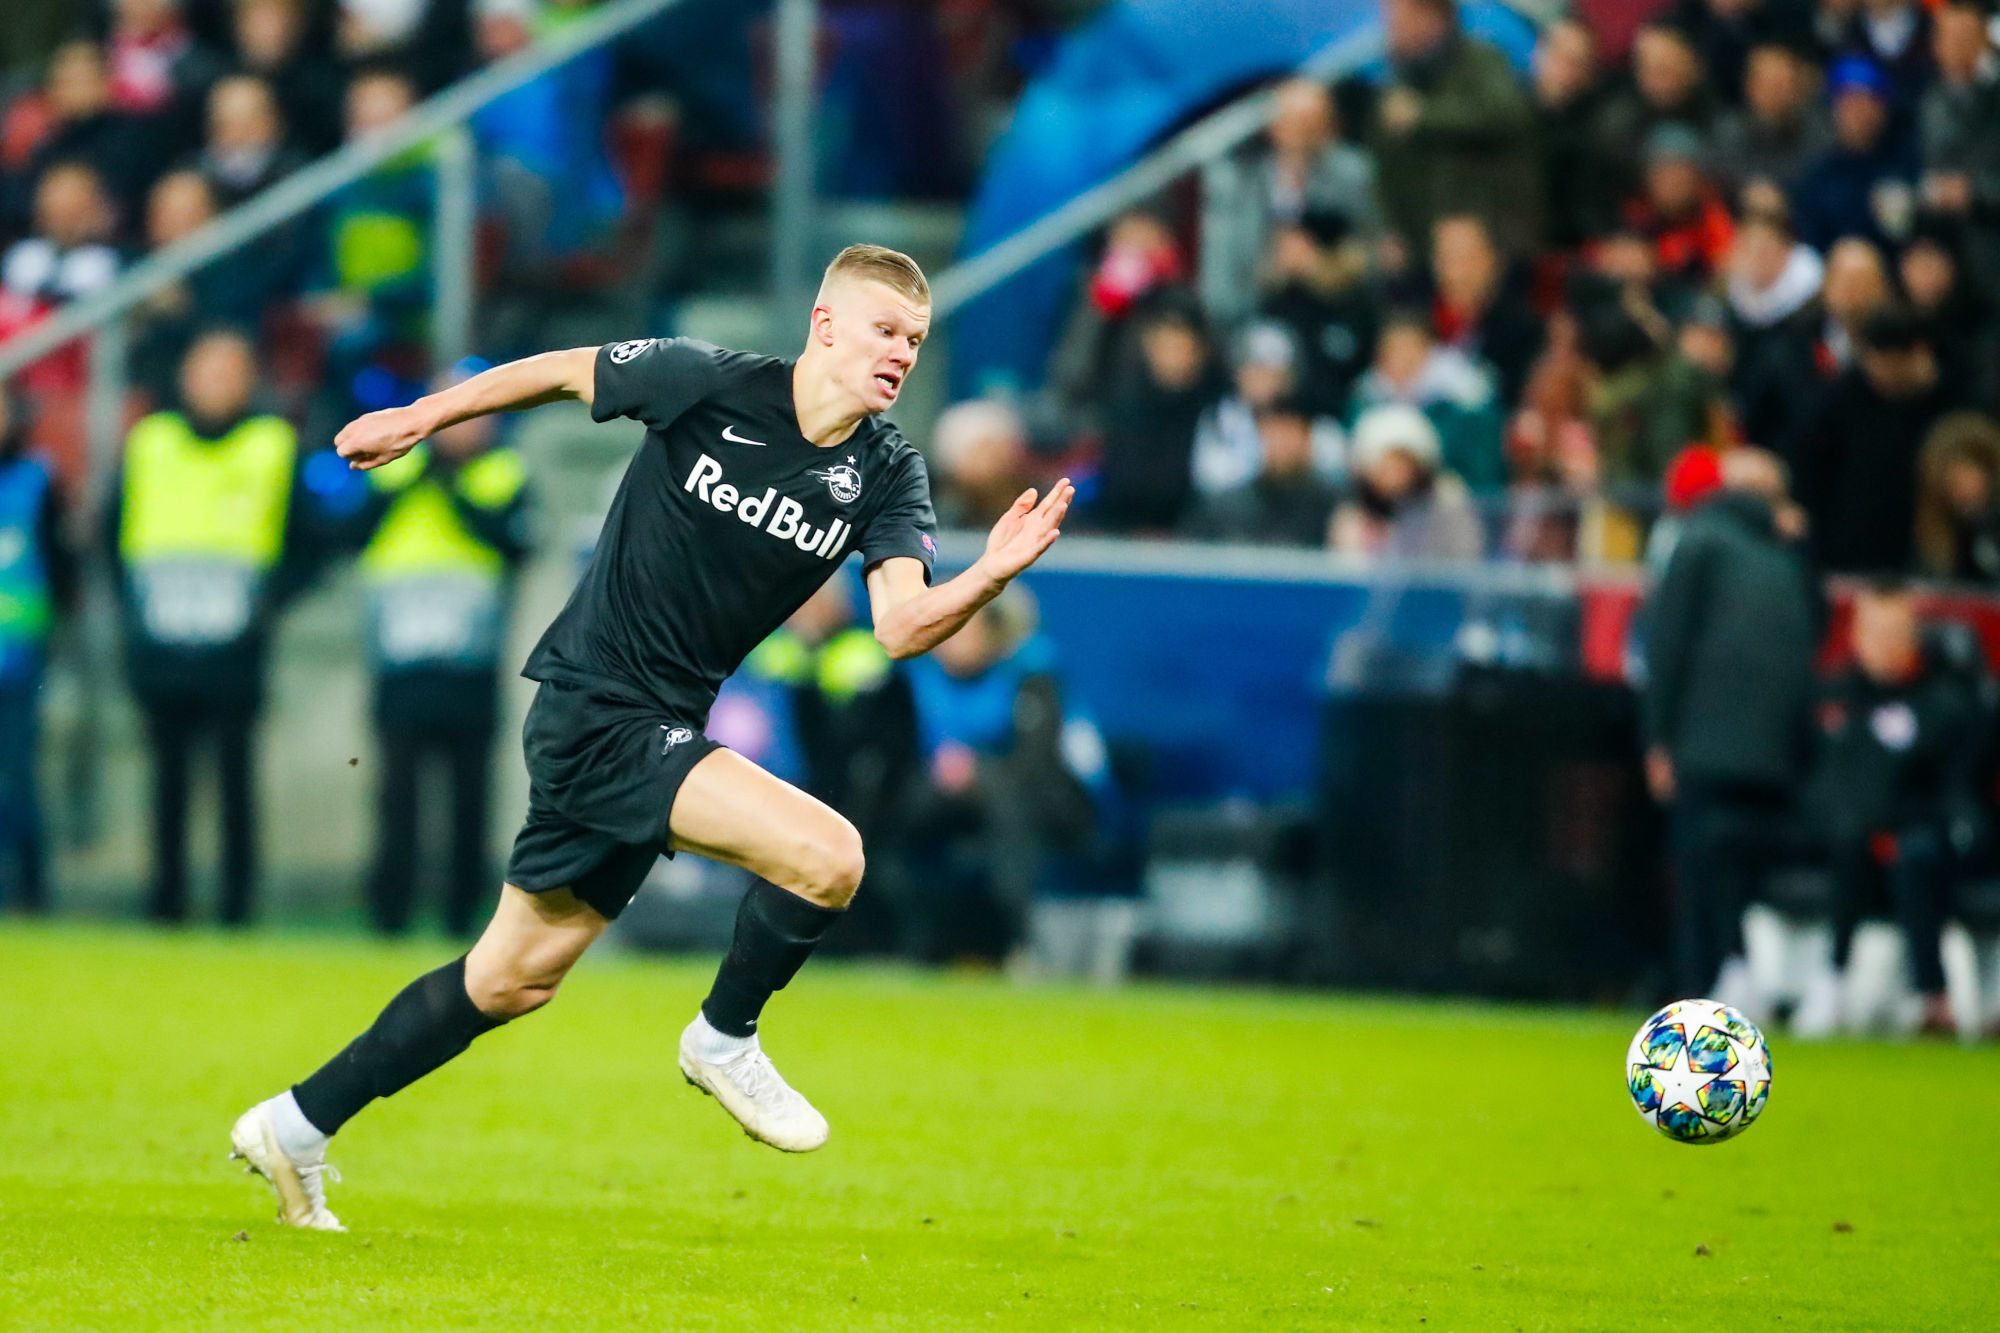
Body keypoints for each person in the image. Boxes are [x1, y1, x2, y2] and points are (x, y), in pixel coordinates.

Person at [228, 245, 1074, 1231]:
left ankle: (294, 1124)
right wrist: (422, 417)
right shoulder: (706, 382)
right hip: (596, 706)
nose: (901, 354)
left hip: (661, 725)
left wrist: (985, 578)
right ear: (825, 323)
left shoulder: (885, 472)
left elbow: (897, 626)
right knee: (829, 856)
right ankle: (723, 1038)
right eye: (885, 330)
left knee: (508, 980)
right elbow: (554, 369)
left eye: (916, 342)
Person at [110, 328, 312, 925]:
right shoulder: (151, 441)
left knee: (233, 779)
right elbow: (111, 526)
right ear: (184, 378)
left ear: (249, 381)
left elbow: (307, 537)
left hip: (236, 642)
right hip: (161, 637)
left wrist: (270, 602)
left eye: (230, 372)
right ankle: (165, 904)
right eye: (208, 371)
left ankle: (235, 907)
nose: (217, 385)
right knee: (166, 781)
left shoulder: (272, 443)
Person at [345, 360, 533, 938]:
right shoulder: (391, 474)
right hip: (399, 663)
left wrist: (445, 480)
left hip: (470, 665)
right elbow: (352, 531)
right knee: (396, 795)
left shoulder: (503, 473)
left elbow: (511, 543)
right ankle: (390, 912)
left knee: (468, 799)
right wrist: (418, 467)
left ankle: (460, 915)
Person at [1642, 447, 1819, 1010]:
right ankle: (1730, 978)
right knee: (1734, 868)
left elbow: (1666, 644)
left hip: (1704, 743)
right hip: (1773, 751)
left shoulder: (1700, 539)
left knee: (1701, 869)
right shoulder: (1784, 551)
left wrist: (1658, 736)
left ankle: (1706, 986)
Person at [1810, 579, 1983, 1036]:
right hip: (1856, 835)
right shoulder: (1836, 697)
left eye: (1895, 633)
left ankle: (1933, 999)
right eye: (1876, 633)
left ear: (1913, 638)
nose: (1885, 646)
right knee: (1847, 842)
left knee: (1918, 855)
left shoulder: (1947, 700)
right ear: (1857, 637)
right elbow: (1827, 782)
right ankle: (1832, 983)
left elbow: (1955, 786)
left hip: (1925, 834)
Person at [1370, 0, 1542, 264]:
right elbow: (1386, 162)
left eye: (1398, 18)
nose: (1390, 27)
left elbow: (1505, 114)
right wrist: (1393, 228)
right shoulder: (1396, 76)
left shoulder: (1481, 59)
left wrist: (1424, 116)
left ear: (1433, 18)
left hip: (1490, 238)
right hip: (1421, 244)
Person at [1792, 303, 1960, 572]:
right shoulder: (1839, 399)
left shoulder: (1951, 400)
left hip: (1927, 548)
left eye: (1890, 364)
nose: (1879, 374)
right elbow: (1809, 470)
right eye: (1872, 362)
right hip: (1849, 549)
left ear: (1919, 352)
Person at [1200, 76, 1376, 326]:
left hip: (1340, 312)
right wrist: (1272, 265)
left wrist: (1322, 264)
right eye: (1296, 122)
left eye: (1314, 123)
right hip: (1261, 312)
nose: (1304, 134)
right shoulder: (1239, 182)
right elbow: (1223, 269)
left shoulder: (1352, 174)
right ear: (1274, 127)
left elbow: (1376, 246)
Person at [0, 385, 77, 914]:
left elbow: (62, 567)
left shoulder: (37, 479)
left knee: (20, 779)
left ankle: (30, 894)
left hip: (18, 658)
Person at [1330, 402, 1484, 560]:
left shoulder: (1448, 501)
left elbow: (1467, 559)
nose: (1394, 477)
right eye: (1385, 468)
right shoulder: (1352, 513)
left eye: (1401, 465)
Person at [1183, 397, 1342, 547]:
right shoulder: (1226, 507)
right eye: (1273, 433)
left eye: (1290, 433)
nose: (1281, 444)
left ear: (1307, 439)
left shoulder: (1335, 509)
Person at [1912, 411, 2000, 584]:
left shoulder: (1992, 529)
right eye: (1956, 480)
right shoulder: (1932, 530)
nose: (1965, 490)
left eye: (1971, 476)